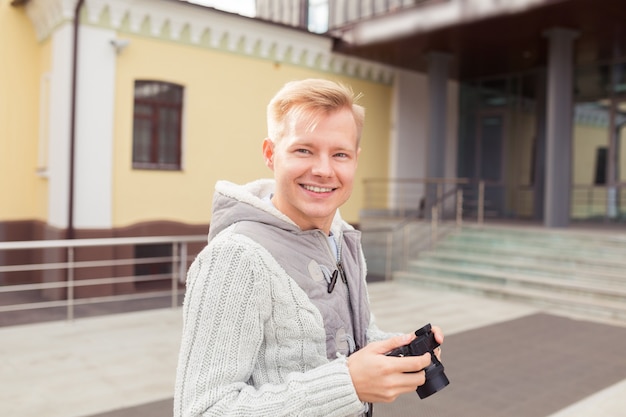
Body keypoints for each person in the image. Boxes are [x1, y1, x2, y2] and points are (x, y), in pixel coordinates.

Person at [174, 78, 444, 417]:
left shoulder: (342, 238)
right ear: (271, 154)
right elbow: (201, 411)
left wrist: (398, 351)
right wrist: (348, 385)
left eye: (340, 154)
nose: (323, 170)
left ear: (355, 160)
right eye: (304, 150)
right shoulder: (234, 257)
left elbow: (342, 340)